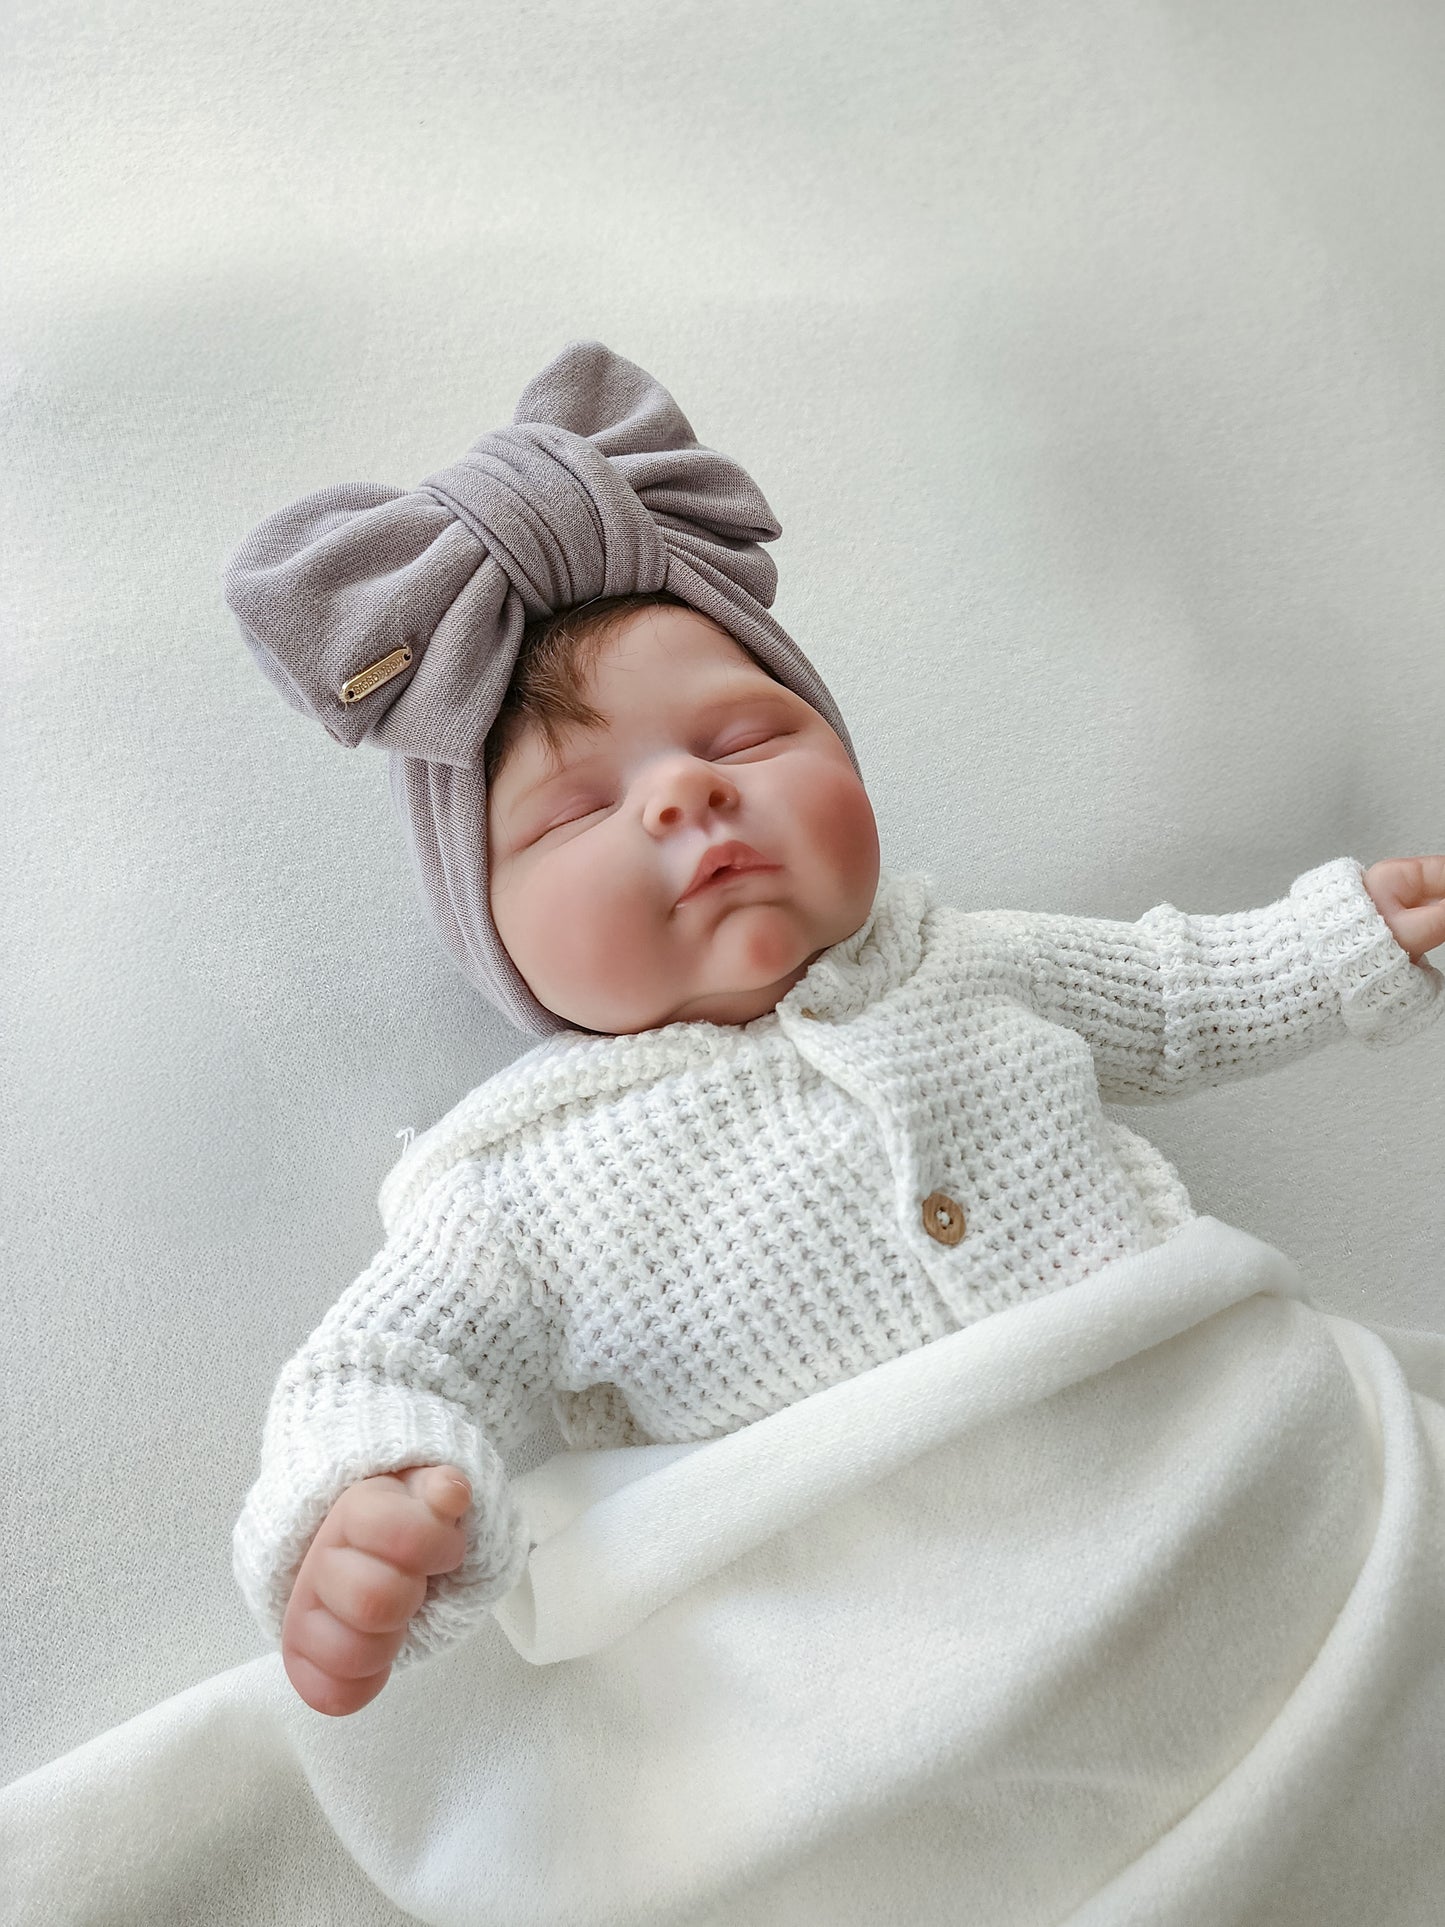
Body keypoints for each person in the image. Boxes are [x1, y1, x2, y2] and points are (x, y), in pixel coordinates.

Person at [222, 342, 1445, 1720]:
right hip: (892, 1652)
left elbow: (1175, 995)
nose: (687, 795)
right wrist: (373, 1493)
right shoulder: (516, 1182)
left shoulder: (968, 963)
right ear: (488, 929)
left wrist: (1342, 936)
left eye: (745, 741)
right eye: (575, 812)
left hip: (1223, 1462)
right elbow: (383, 1361)